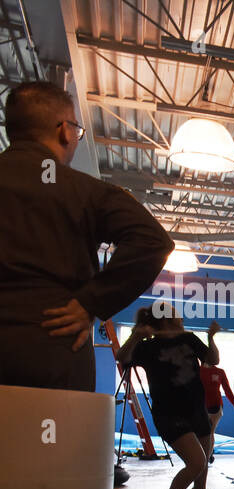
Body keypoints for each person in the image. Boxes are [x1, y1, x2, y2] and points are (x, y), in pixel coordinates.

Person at [0, 81, 173, 391]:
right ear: (65, 131)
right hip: (53, 346)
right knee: (50, 439)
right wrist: (91, 302)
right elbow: (153, 241)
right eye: (78, 132)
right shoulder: (85, 192)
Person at [116, 306, 221, 489]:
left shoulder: (189, 339)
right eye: (176, 313)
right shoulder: (148, 346)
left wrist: (211, 338)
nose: (181, 316)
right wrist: (135, 336)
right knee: (197, 462)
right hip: (169, 413)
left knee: (204, 455)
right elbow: (122, 357)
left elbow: (213, 359)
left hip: (195, 408)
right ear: (166, 319)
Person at [199, 358, 234, 463]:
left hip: (215, 406)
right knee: (201, 432)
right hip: (200, 406)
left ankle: (206, 457)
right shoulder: (196, 370)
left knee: (210, 432)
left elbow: (227, 389)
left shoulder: (219, 372)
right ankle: (207, 455)